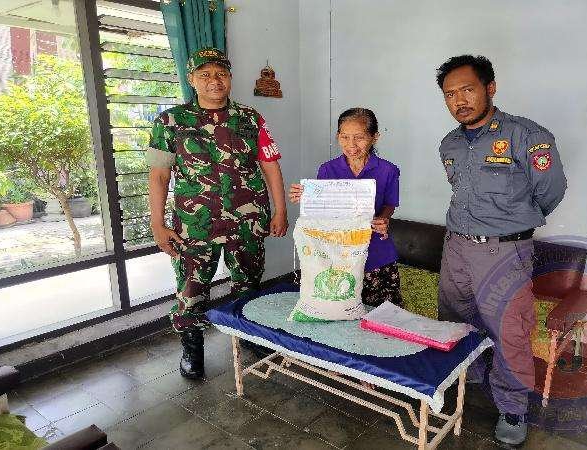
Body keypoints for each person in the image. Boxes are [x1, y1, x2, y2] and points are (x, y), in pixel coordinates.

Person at [435, 55, 567, 445]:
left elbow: (551, 190)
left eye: (467, 89)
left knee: (510, 331)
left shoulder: (527, 136)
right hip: (456, 247)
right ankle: (469, 377)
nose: (459, 100)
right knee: (454, 319)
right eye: (450, 94)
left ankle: (512, 408)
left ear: (490, 88)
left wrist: (514, 224)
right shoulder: (450, 144)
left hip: (504, 253)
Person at [146, 47, 288, 379]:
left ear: (230, 78)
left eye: (221, 74)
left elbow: (270, 165)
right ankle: (192, 348)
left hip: (247, 221)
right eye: (205, 74)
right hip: (195, 225)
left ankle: (248, 334)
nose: (215, 80)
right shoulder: (170, 122)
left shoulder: (251, 118)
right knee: (191, 290)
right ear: (191, 79)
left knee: (248, 283)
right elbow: (159, 175)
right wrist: (157, 223)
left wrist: (280, 210)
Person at [289, 108, 402, 306]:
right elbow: (321, 208)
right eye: (344, 137)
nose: (351, 145)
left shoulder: (388, 170)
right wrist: (305, 197)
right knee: (338, 309)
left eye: (359, 137)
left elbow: (390, 203)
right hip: (337, 253)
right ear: (338, 136)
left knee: (381, 314)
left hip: (375, 253)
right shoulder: (327, 169)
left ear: (374, 137)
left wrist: (383, 218)